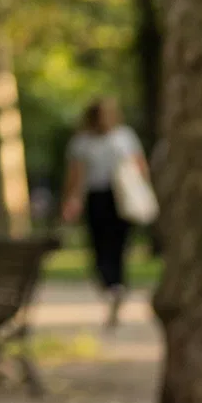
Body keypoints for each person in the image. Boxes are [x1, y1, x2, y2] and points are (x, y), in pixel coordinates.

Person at [62, 96, 151, 326]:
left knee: (115, 245)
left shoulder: (122, 136)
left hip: (117, 197)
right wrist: (72, 200)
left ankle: (114, 285)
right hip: (99, 197)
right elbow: (76, 175)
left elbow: (138, 166)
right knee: (103, 245)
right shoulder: (85, 141)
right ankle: (113, 284)